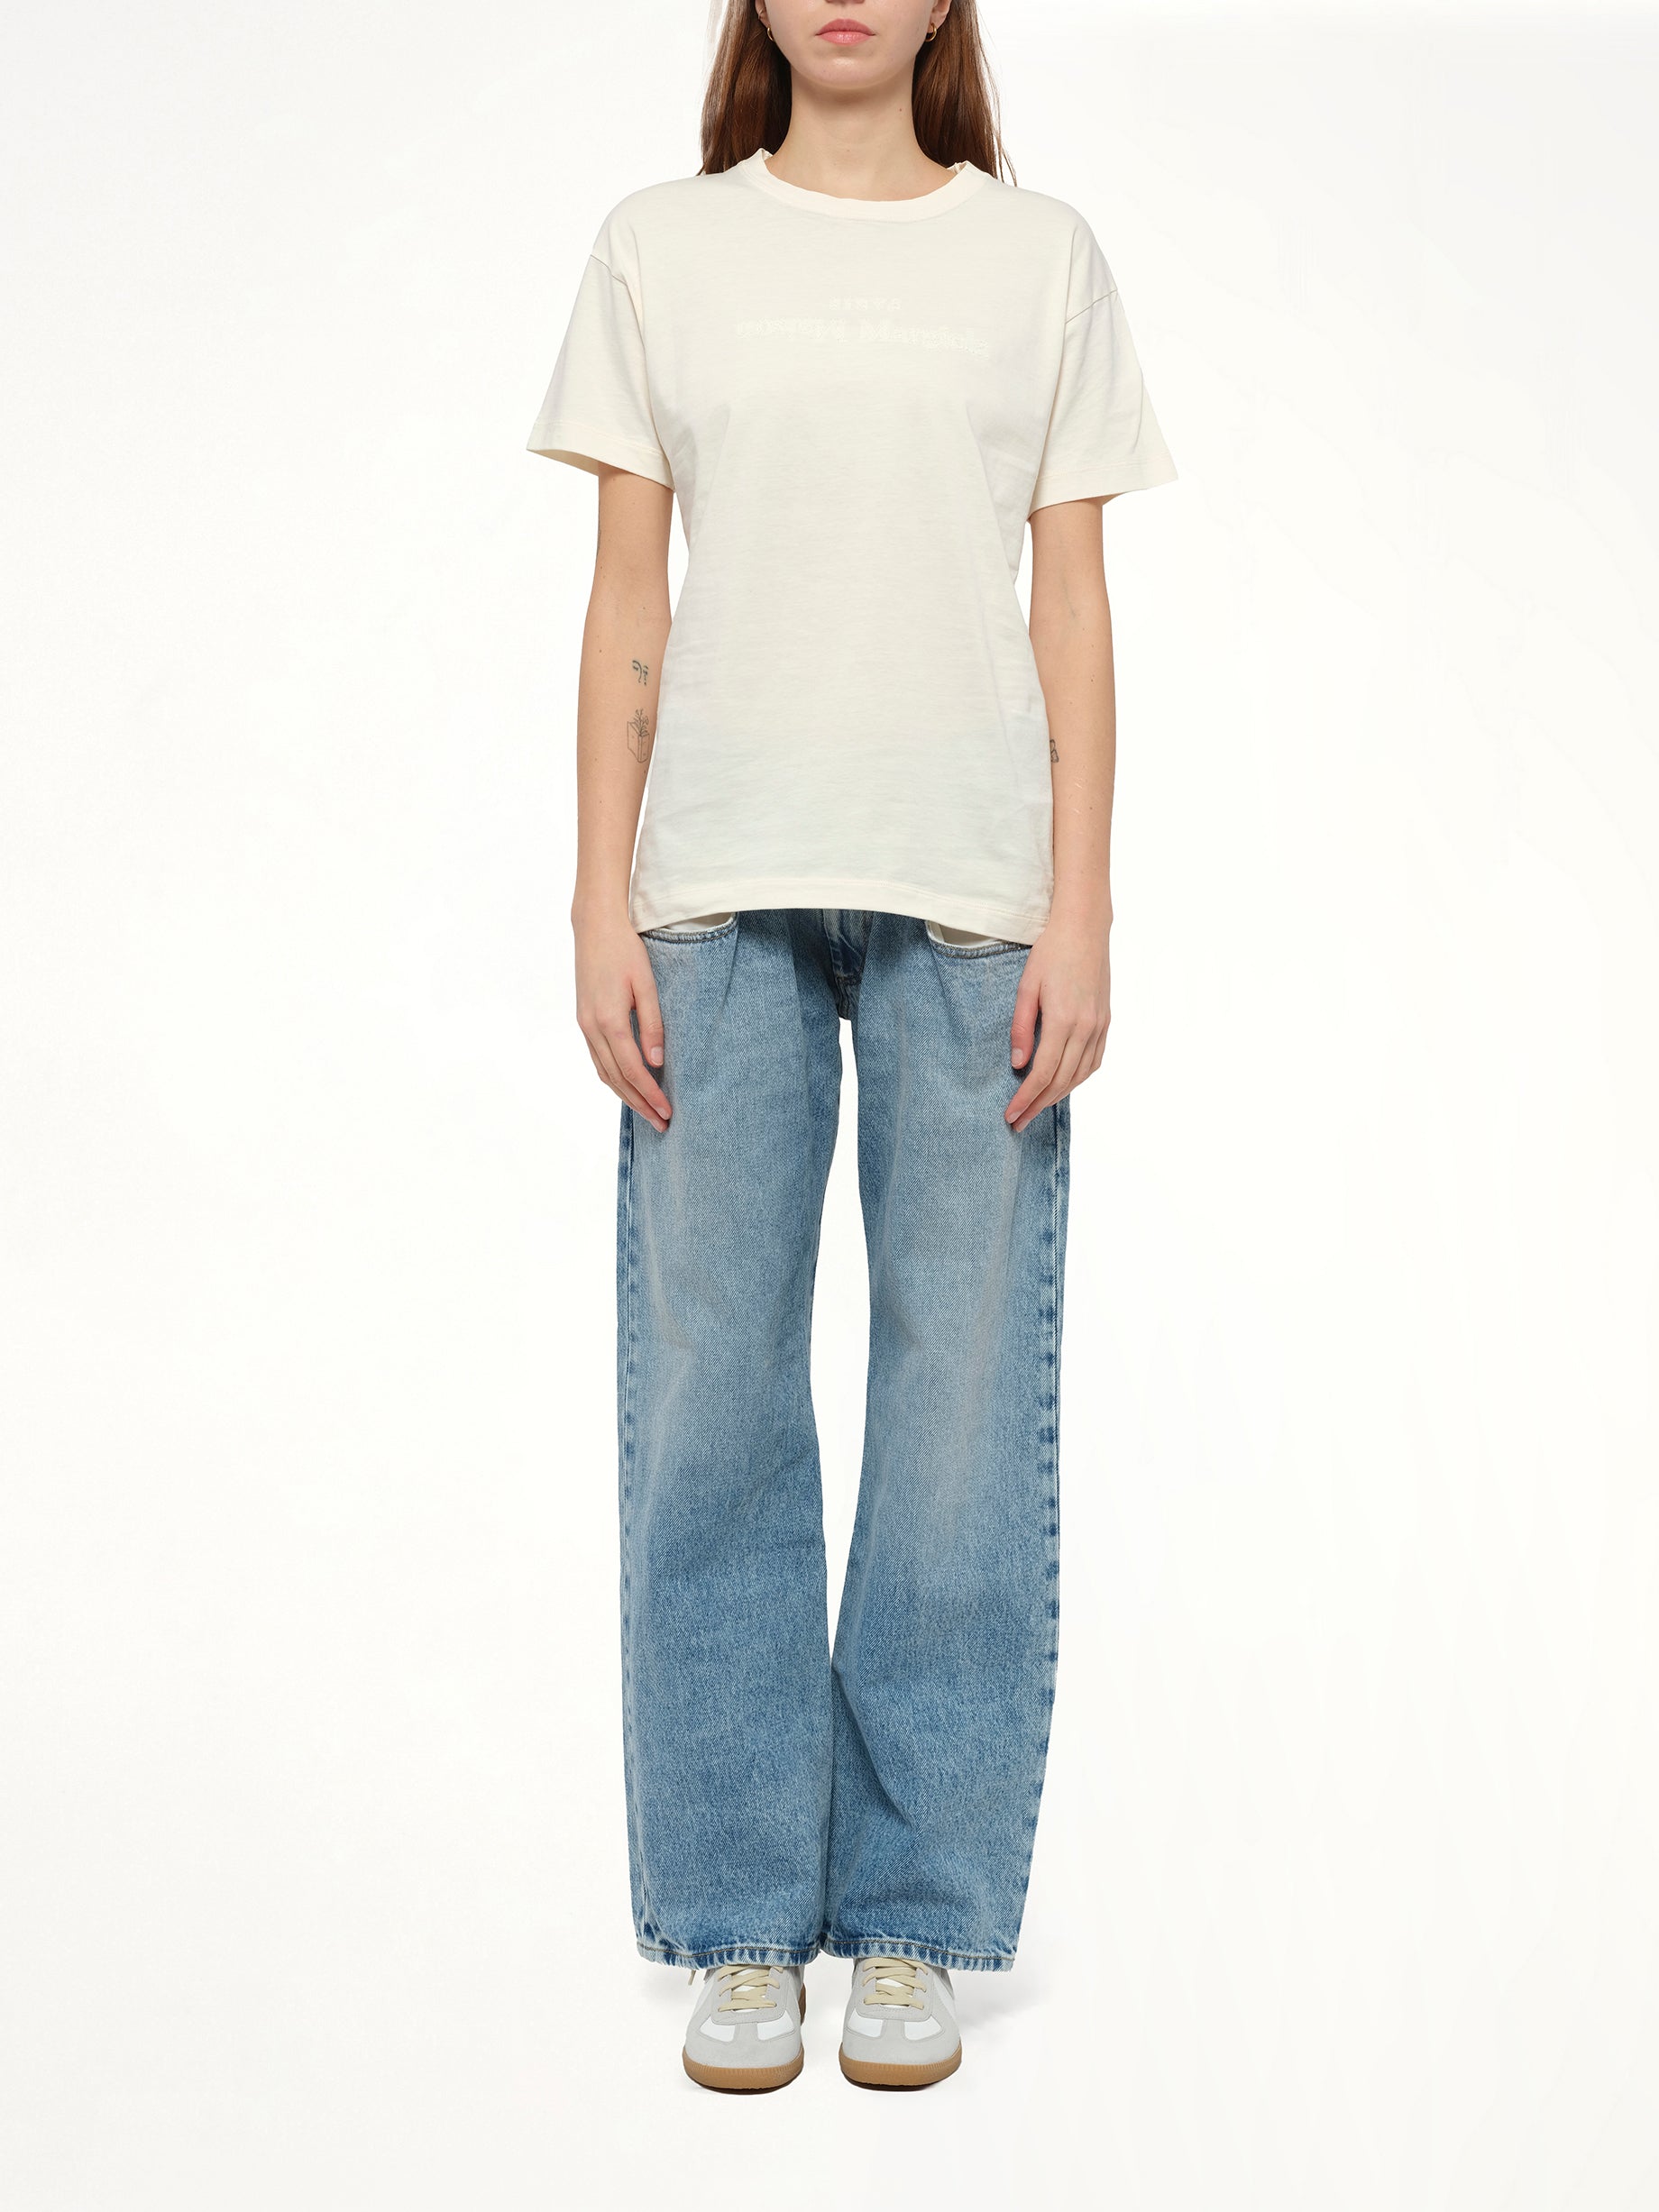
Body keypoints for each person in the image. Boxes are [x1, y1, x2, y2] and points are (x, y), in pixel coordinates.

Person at [526, 0, 1176, 2092]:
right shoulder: (660, 246)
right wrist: (595, 898)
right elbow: (627, 609)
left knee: (957, 1414)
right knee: (711, 1409)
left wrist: (1080, 906)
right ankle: (735, 1916)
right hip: (710, 891)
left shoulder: (1037, 257)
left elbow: (1068, 611)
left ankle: (907, 1918)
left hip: (970, 892)